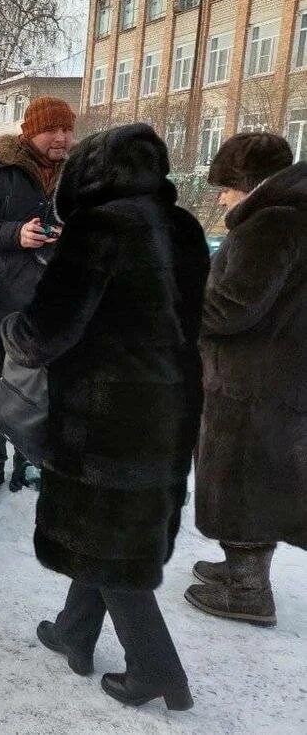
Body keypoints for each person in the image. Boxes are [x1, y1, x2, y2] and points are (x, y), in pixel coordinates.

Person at [1, 123, 209, 711]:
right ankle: (74, 631)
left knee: (111, 540)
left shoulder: (98, 231)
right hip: (171, 407)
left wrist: (8, 326)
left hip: (104, 414)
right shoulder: (184, 228)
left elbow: (44, 334)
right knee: (112, 527)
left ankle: (157, 670)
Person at [185, 133, 307, 628]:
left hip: (250, 378)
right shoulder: (292, 216)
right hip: (275, 372)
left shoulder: (272, 223)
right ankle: (243, 569)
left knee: (239, 477)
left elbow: (234, 307)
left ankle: (249, 591)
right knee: (258, 475)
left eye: (227, 188)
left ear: (250, 184)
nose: (221, 198)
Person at [0, 95, 75, 504]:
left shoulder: (80, 173)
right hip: (2, 299)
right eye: (52, 130)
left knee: (51, 386)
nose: (62, 138)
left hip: (58, 301)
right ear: (30, 131)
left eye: (67, 129)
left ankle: (33, 462)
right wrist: (15, 235)